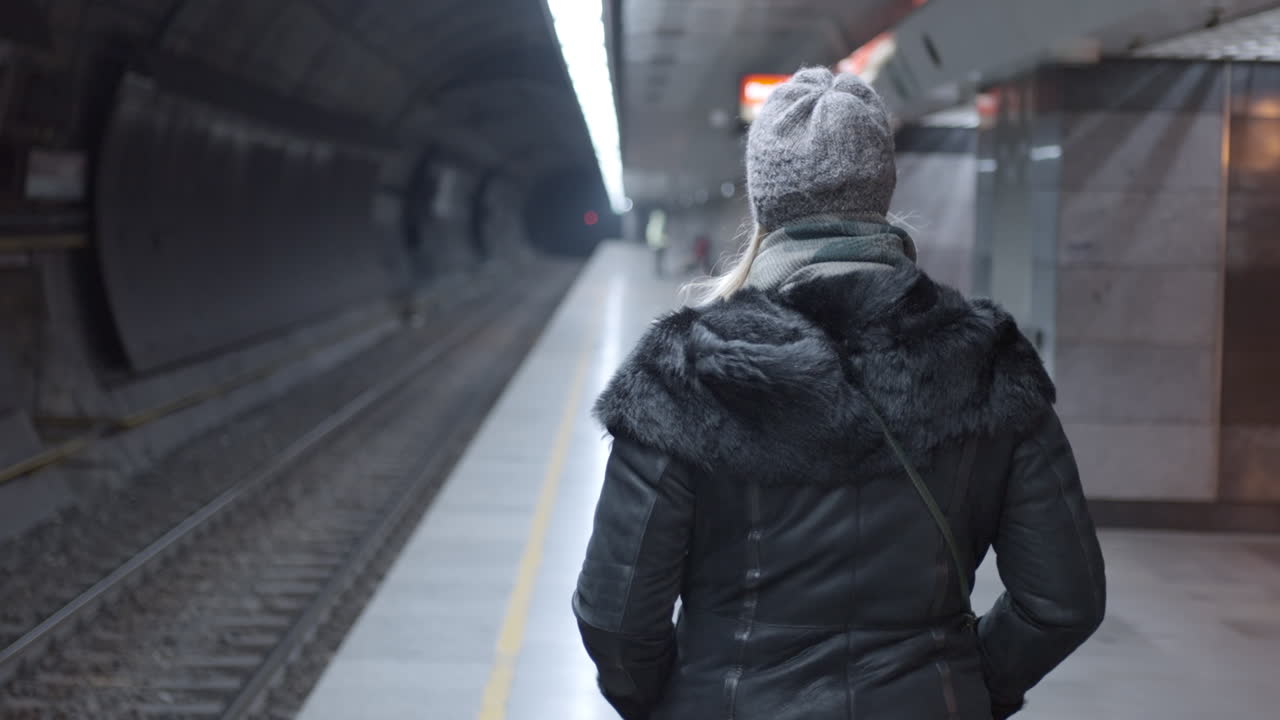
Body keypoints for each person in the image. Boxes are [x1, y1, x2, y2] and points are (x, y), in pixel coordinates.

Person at [572, 67, 1105, 720]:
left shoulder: (688, 370)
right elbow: (1063, 599)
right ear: (881, 189)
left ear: (762, 202)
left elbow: (617, 615)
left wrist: (679, 698)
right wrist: (961, 683)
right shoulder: (987, 361)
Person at [645, 208, 669, 277]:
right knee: (659, 258)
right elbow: (661, 234)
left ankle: (659, 270)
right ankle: (659, 271)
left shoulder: (652, 223)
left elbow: (649, 233)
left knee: (658, 259)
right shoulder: (659, 223)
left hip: (656, 244)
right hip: (660, 244)